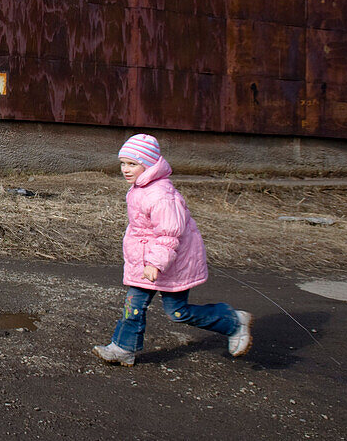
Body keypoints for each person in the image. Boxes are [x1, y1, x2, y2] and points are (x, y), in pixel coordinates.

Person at [93, 133, 252, 366]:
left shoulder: (161, 195)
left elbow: (169, 233)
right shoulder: (140, 188)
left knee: (177, 312)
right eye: (123, 163)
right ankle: (123, 348)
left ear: (148, 165)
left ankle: (233, 321)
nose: (125, 169)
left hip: (170, 263)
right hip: (146, 261)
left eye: (133, 164)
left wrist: (155, 263)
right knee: (133, 305)